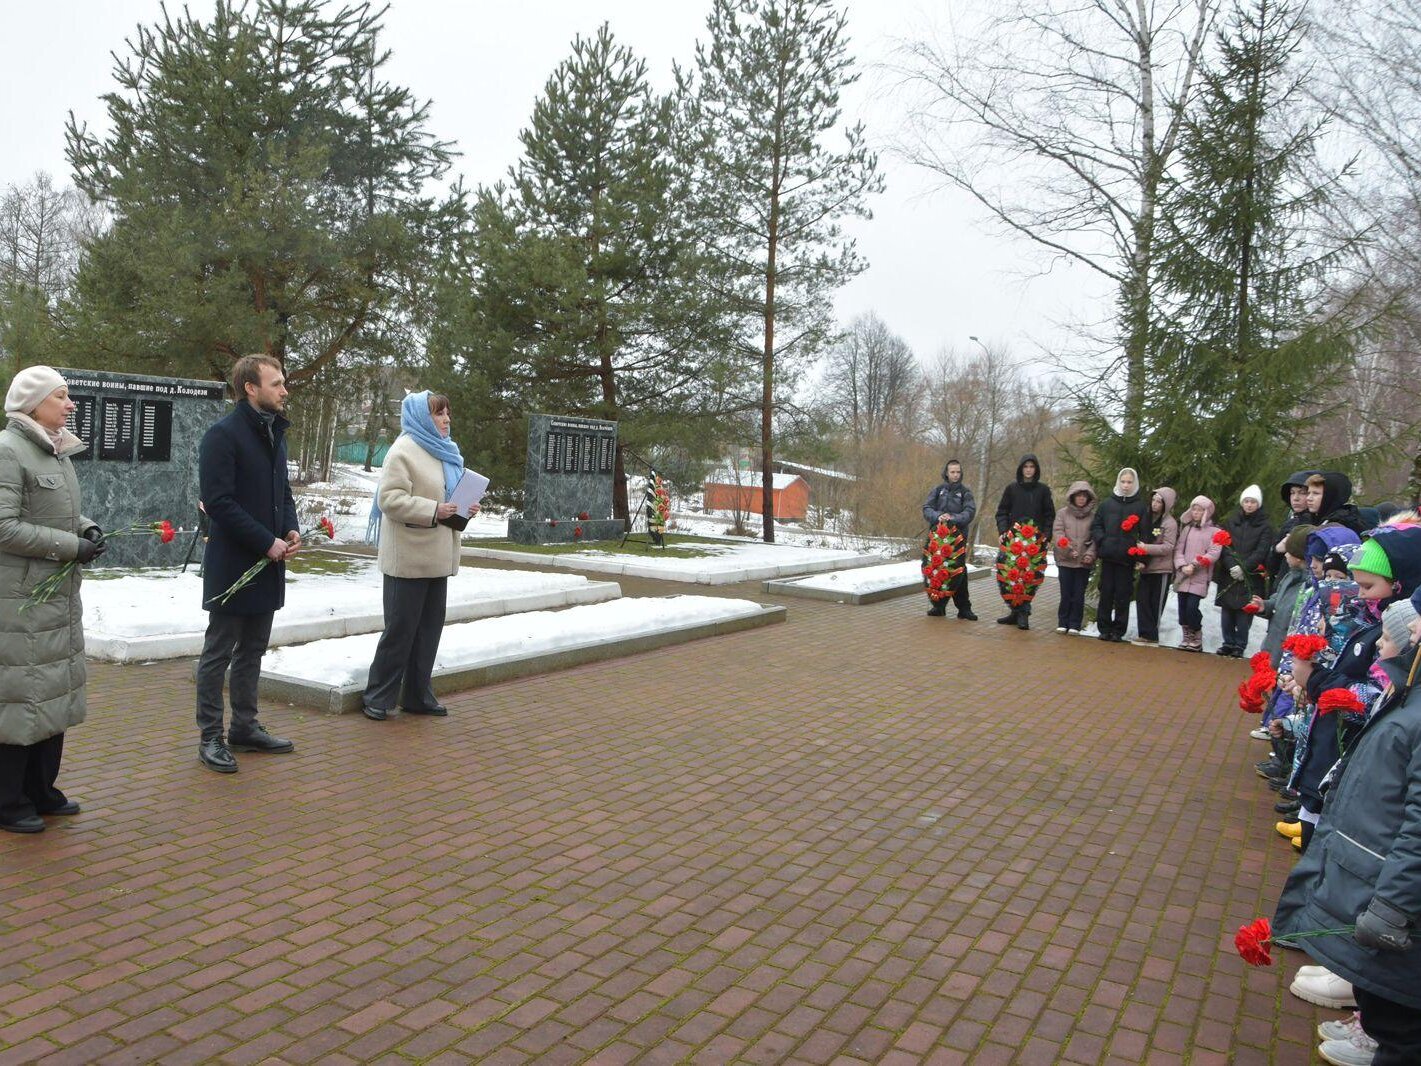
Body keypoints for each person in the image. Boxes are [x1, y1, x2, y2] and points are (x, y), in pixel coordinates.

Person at [1274, 610, 1421, 1065]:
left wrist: (1393, 904)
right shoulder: (1409, 692)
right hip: (1377, 876)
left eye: (1418, 624)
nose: (1408, 631)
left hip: (1395, 895)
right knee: (1388, 1012)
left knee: (1401, 1030)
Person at [0, 367, 103, 833]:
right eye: (61, 396)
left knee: (53, 692)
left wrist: (86, 529)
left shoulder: (56, 450)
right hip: (19, 600)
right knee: (21, 696)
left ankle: (41, 789)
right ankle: (8, 801)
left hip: (56, 597)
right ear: (33, 402)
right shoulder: (7, 450)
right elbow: (3, 526)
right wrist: (69, 547)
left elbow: (58, 512)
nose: (71, 404)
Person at [194, 355, 300, 774]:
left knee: (253, 649)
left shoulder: (275, 433)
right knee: (218, 652)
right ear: (251, 388)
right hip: (234, 566)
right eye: (276, 383)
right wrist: (265, 541)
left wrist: (289, 530)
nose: (284, 389)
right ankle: (210, 737)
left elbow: (283, 491)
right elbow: (218, 502)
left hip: (268, 562)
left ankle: (244, 727)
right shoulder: (222, 435)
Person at [361, 391, 477, 720]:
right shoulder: (403, 451)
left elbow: (449, 500)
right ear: (423, 418)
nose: (446, 419)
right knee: (400, 631)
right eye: (439, 414)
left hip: (438, 558)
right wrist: (435, 509)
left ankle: (417, 695)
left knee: (428, 631)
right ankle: (378, 696)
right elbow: (390, 500)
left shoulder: (446, 452)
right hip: (408, 559)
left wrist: (466, 508)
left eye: (447, 413)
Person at [994, 453, 1056, 629]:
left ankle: (1024, 613)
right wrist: (1003, 531)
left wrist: (1046, 535)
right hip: (1013, 542)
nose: (1028, 470)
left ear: (1036, 469)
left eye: (1032, 467)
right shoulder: (1012, 489)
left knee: (1028, 577)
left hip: (1034, 543)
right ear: (1021, 469)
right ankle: (1014, 611)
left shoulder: (1043, 490)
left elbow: (1049, 514)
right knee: (1010, 577)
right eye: (1026, 467)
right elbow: (1002, 512)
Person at [1090, 467, 1149, 642]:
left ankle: (1118, 631)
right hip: (1108, 556)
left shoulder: (1140, 507)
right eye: (1123, 481)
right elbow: (1097, 525)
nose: (1126, 485)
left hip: (1127, 558)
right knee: (1106, 593)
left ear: (1134, 483)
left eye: (1129, 482)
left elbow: (1145, 533)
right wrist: (1102, 540)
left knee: (1123, 595)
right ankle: (1104, 628)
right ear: (1118, 482)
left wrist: (1141, 557)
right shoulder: (1107, 504)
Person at [1214, 485, 1274, 658]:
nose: (1249, 505)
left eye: (1253, 502)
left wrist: (1244, 568)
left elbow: (1261, 551)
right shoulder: (1232, 522)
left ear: (1258, 504)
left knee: (1243, 613)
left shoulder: (1265, 526)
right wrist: (1231, 565)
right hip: (1229, 573)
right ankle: (1227, 642)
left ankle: (1240, 644)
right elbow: (1225, 545)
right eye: (1246, 501)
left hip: (1250, 575)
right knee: (1227, 611)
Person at [921, 458, 977, 620]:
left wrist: (952, 518)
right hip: (937, 539)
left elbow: (969, 512)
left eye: (958, 472)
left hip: (957, 540)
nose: (955, 475)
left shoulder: (966, 492)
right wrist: (939, 516)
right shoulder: (938, 490)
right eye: (952, 472)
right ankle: (938, 605)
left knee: (959, 572)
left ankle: (964, 608)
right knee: (936, 569)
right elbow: (927, 508)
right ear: (946, 473)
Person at [1172, 495, 1222, 652]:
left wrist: (1195, 564)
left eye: (1199, 510)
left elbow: (1213, 553)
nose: (1195, 512)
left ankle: (1196, 633)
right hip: (1184, 575)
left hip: (1199, 576)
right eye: (1193, 509)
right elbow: (1178, 550)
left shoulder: (1215, 532)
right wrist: (1182, 565)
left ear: (1206, 512)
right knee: (1182, 608)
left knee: (1192, 607)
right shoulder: (1187, 529)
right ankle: (1186, 635)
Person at [1132, 487, 1178, 646]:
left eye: (1159, 501)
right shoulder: (1146, 518)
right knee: (1142, 600)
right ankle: (1144, 633)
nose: (1155, 504)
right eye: (1153, 500)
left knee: (1155, 603)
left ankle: (1152, 635)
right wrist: (1140, 557)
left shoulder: (1169, 523)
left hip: (1161, 569)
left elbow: (1168, 547)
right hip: (1146, 568)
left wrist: (1146, 548)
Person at [1051, 480, 1097, 634]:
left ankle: (1075, 624)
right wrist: (1068, 550)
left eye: (1084, 496)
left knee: (1078, 594)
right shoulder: (1062, 514)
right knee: (1066, 593)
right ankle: (1063, 621)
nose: (1081, 499)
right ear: (1073, 497)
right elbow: (1058, 534)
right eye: (1078, 496)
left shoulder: (1093, 517)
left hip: (1083, 563)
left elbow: (1096, 539)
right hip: (1065, 561)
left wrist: (1090, 554)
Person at [1268, 470, 1319, 585]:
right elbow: (1271, 566)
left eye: (1302, 493)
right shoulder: (1289, 523)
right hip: (1282, 587)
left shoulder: (1317, 524)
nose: (1295, 498)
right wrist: (1277, 549)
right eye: (1292, 493)